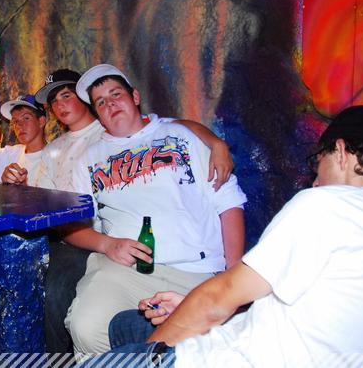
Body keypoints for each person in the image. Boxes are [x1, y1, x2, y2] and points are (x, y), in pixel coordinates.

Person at [95, 105, 363, 367]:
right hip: (268, 335)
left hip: (242, 357)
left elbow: (218, 300)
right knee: (124, 324)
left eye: (318, 162)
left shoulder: (325, 204)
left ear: (341, 152)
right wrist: (187, 307)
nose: (316, 180)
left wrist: (147, 358)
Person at [34, 68, 236, 353]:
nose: (110, 104)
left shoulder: (179, 135)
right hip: (123, 266)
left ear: (135, 96)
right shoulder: (84, 157)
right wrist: (108, 245)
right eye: (101, 102)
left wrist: (233, 278)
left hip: (196, 269)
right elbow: (67, 222)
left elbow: (228, 202)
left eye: (116, 94)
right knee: (83, 325)